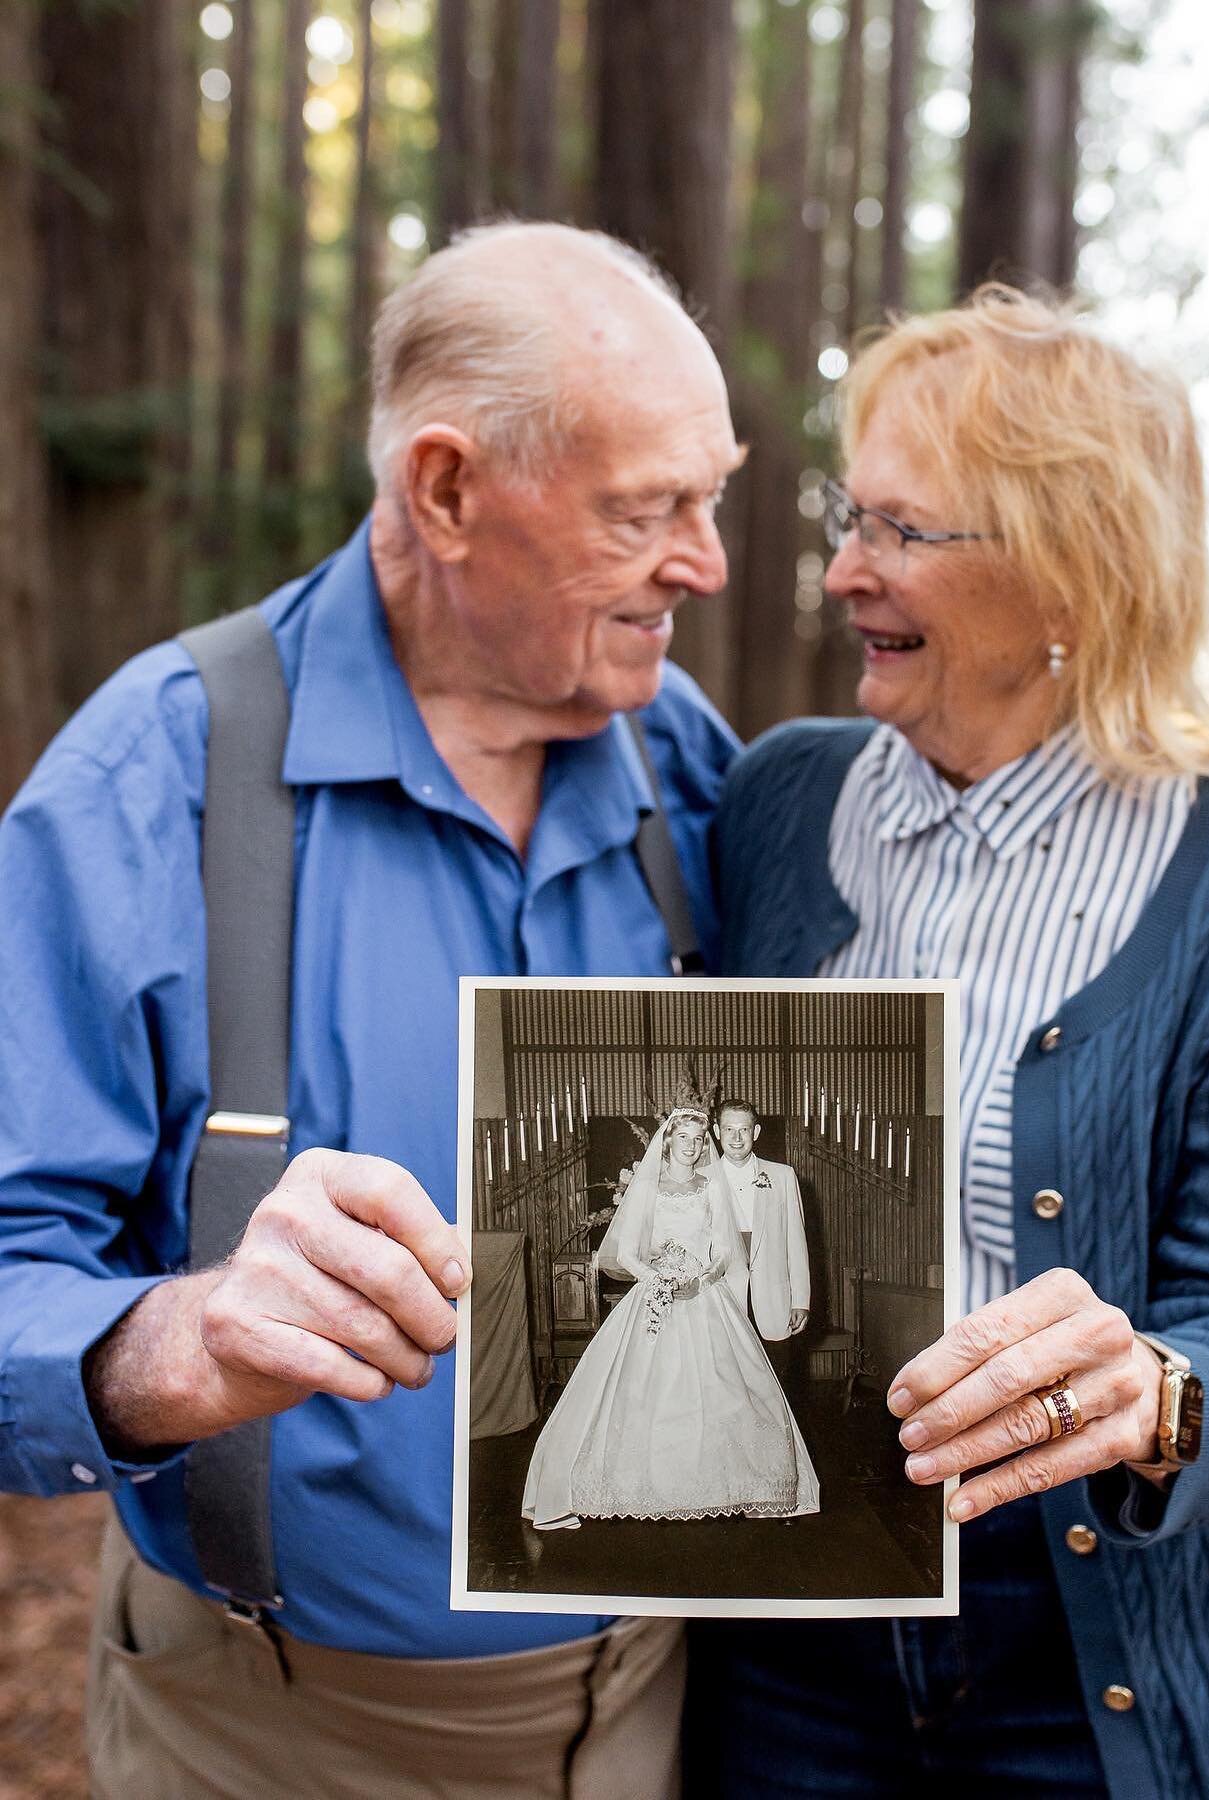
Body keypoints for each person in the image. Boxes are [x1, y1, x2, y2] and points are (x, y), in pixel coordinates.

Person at [0, 221, 745, 1800]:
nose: (707, 561)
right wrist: (179, 1337)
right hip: (266, 1735)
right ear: (449, 490)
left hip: (665, 1713)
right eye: (647, 510)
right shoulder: (153, 782)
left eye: (713, 497)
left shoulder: (691, 765)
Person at [693, 287, 1209, 1799]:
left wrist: (1155, 1394)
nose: (841, 568)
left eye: (898, 530)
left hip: (1095, 1638)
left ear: (1069, 568)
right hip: (797, 1632)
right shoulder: (777, 804)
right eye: (845, 514)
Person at [522, 1104, 819, 1530]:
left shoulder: (710, 1186)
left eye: (698, 1140)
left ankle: (746, 1488)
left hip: (704, 1296)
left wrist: (702, 1278)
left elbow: (723, 1251)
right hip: (655, 1295)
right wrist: (657, 1279)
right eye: (684, 1138)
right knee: (640, 1393)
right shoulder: (647, 1188)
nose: (692, 1146)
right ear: (668, 1141)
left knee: (732, 1392)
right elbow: (623, 1252)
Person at [712, 1099, 810, 1348]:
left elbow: (796, 1242)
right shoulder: (703, 1179)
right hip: (721, 1301)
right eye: (728, 1129)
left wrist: (801, 1300)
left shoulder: (783, 1176)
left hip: (773, 1303)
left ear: (755, 1132)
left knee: (777, 1381)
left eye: (743, 1129)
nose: (736, 1137)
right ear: (716, 1132)